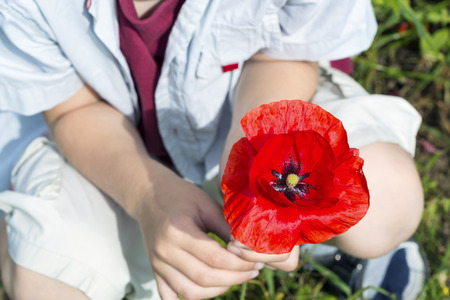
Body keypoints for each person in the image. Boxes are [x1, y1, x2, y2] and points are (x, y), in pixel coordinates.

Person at [0, 0, 427, 299]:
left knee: (387, 196)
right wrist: (150, 197)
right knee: (44, 283)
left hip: (258, 117)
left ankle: (317, 242)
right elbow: (73, 109)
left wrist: (251, 167)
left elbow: (281, 58)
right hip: (115, 152)